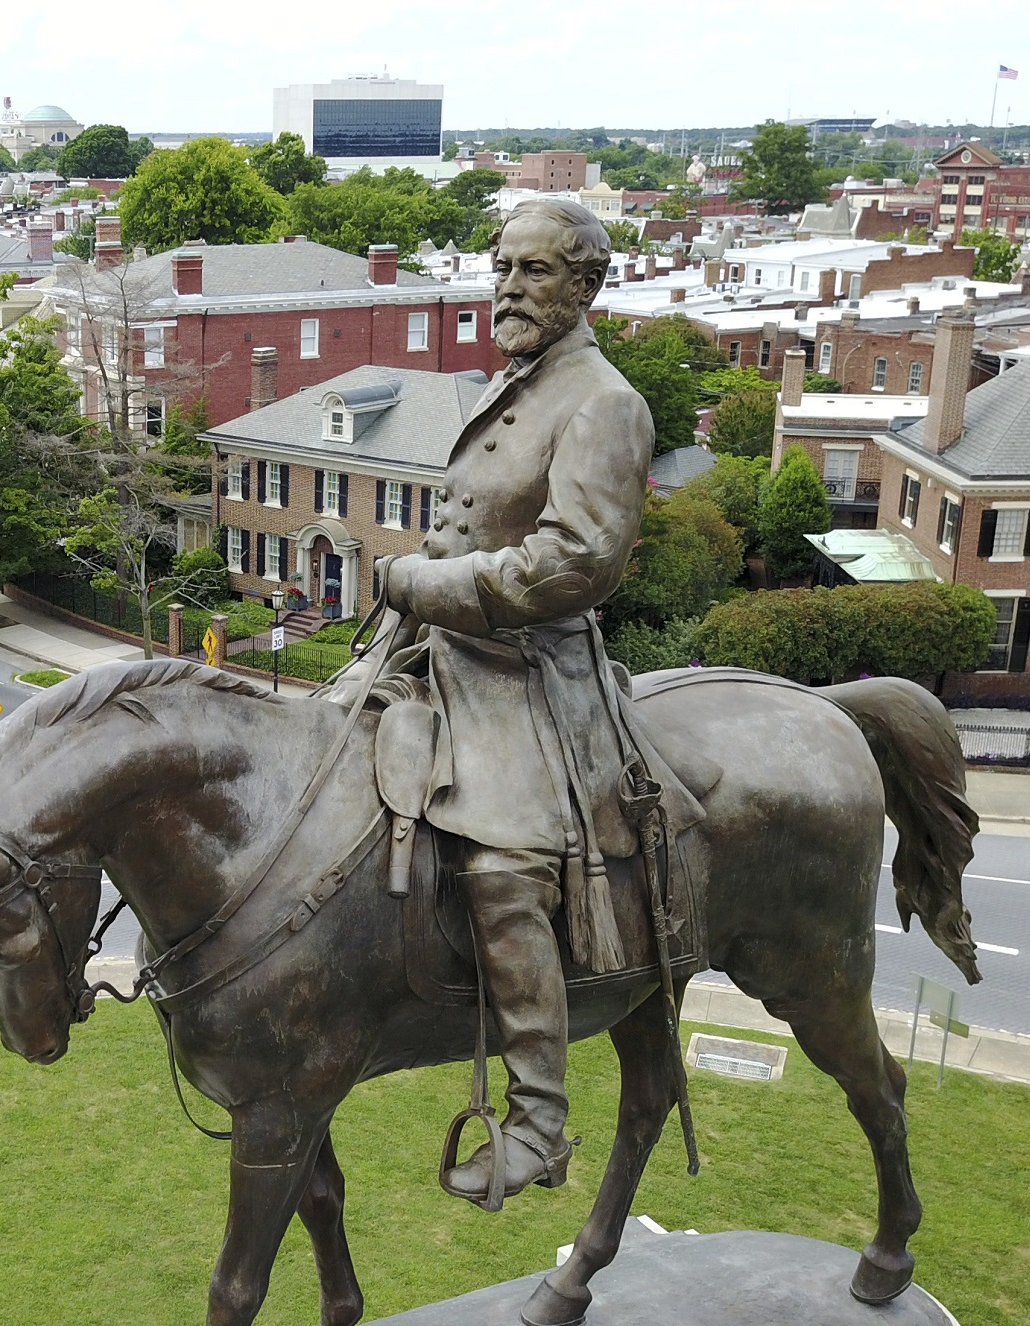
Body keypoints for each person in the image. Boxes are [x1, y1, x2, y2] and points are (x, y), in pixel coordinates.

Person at [375, 197, 654, 1204]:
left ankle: (537, 1121)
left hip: (527, 671)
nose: (508, 290)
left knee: (500, 870)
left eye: (534, 272)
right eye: (502, 269)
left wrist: (425, 582)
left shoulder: (603, 402)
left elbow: (574, 561)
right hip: (435, 646)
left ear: (585, 285)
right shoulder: (516, 382)